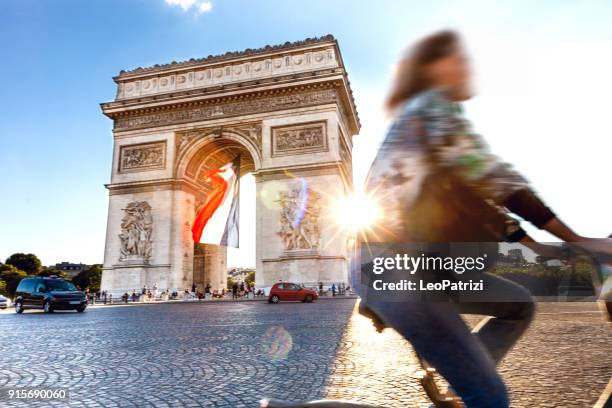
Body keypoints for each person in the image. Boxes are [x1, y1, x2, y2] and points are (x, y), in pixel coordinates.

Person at [358, 30, 612, 408]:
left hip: (429, 266)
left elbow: (482, 205)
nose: (468, 68)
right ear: (434, 69)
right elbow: (497, 179)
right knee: (490, 396)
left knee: (519, 306)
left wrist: (542, 248)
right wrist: (578, 239)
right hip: (397, 269)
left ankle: (459, 383)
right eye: (460, 60)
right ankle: (472, 385)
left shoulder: (436, 126)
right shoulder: (432, 110)